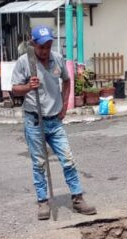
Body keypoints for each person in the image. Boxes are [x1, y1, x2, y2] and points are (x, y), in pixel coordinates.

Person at [11, 26, 97, 220]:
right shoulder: (25, 62)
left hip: (54, 121)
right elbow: (15, 89)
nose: (45, 50)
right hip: (35, 120)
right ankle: (43, 201)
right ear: (33, 44)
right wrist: (28, 86)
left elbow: (67, 81)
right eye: (42, 47)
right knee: (39, 163)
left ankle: (77, 198)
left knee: (68, 160)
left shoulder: (57, 59)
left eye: (48, 46)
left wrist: (65, 105)